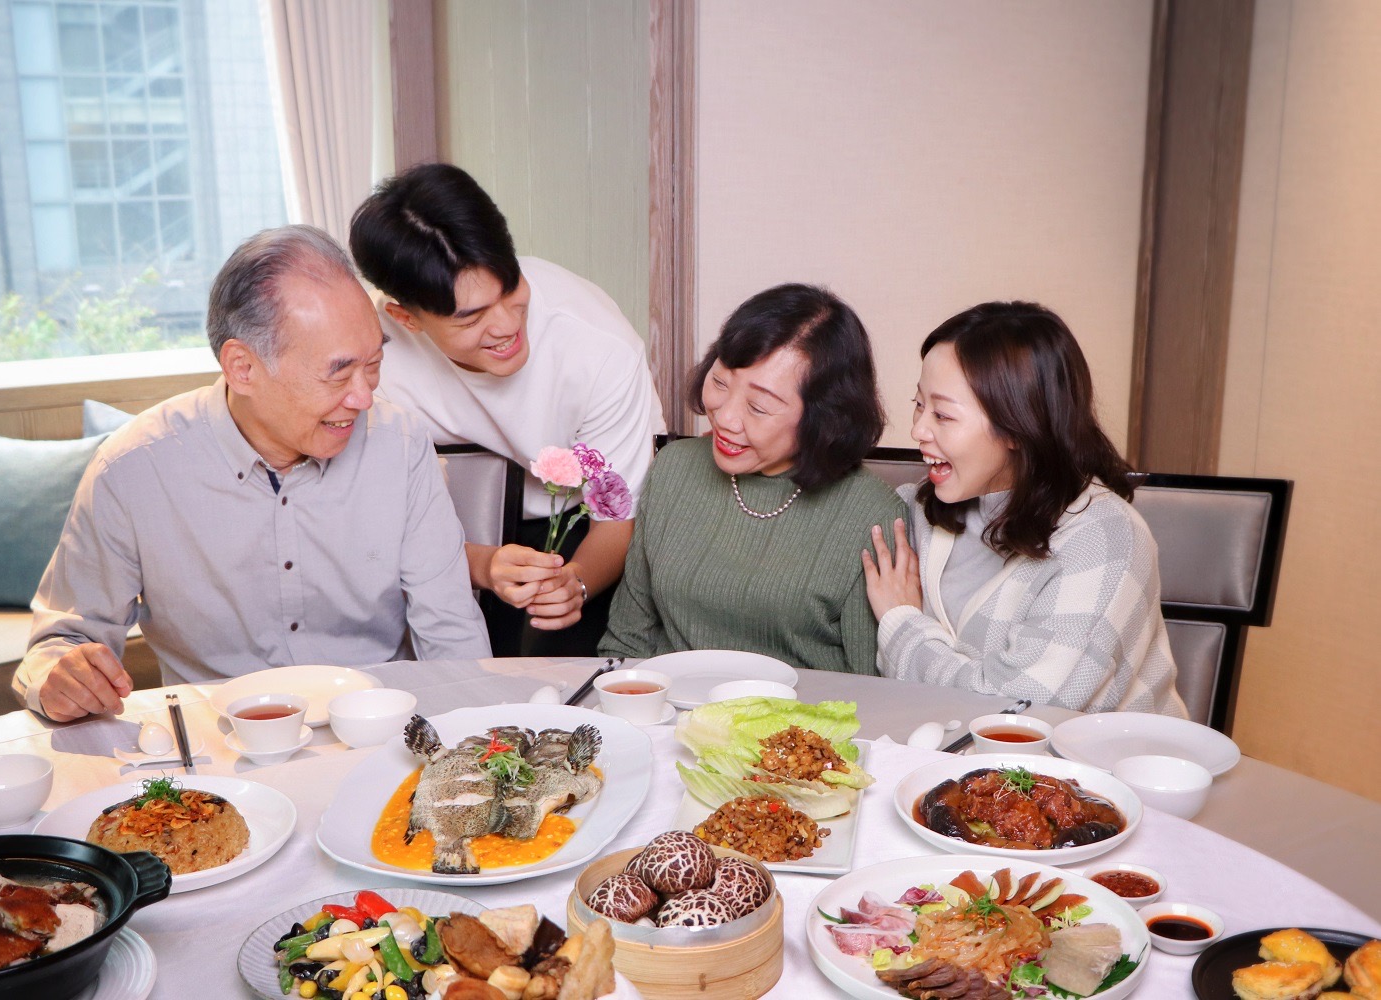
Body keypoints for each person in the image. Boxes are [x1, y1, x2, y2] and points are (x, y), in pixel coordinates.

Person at [13, 225, 490, 722]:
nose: (363, 397)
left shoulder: (402, 444)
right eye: (338, 372)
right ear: (242, 367)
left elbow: (450, 631)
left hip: (377, 735)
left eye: (373, 365)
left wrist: (479, 744)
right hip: (214, 752)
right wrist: (58, 678)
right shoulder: (134, 468)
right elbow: (62, 639)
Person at [349, 163, 663, 656]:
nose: (505, 327)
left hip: (580, 528)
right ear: (406, 317)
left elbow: (615, 517)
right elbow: (369, 510)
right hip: (440, 533)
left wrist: (574, 584)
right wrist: (477, 563)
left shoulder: (596, 346)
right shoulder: (367, 351)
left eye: (510, 290)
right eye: (470, 317)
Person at [862, 301, 1187, 716]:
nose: (918, 430)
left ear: (1017, 424)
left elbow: (1021, 711)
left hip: (1096, 774)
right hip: (956, 769)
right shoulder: (917, 511)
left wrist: (901, 623)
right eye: (919, 403)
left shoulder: (1105, 538)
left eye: (943, 414)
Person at [599, 283, 904, 673]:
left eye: (758, 407)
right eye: (721, 382)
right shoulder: (674, 469)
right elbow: (626, 643)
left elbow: (872, 688)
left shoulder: (870, 514)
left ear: (824, 418)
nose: (725, 417)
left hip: (798, 729)